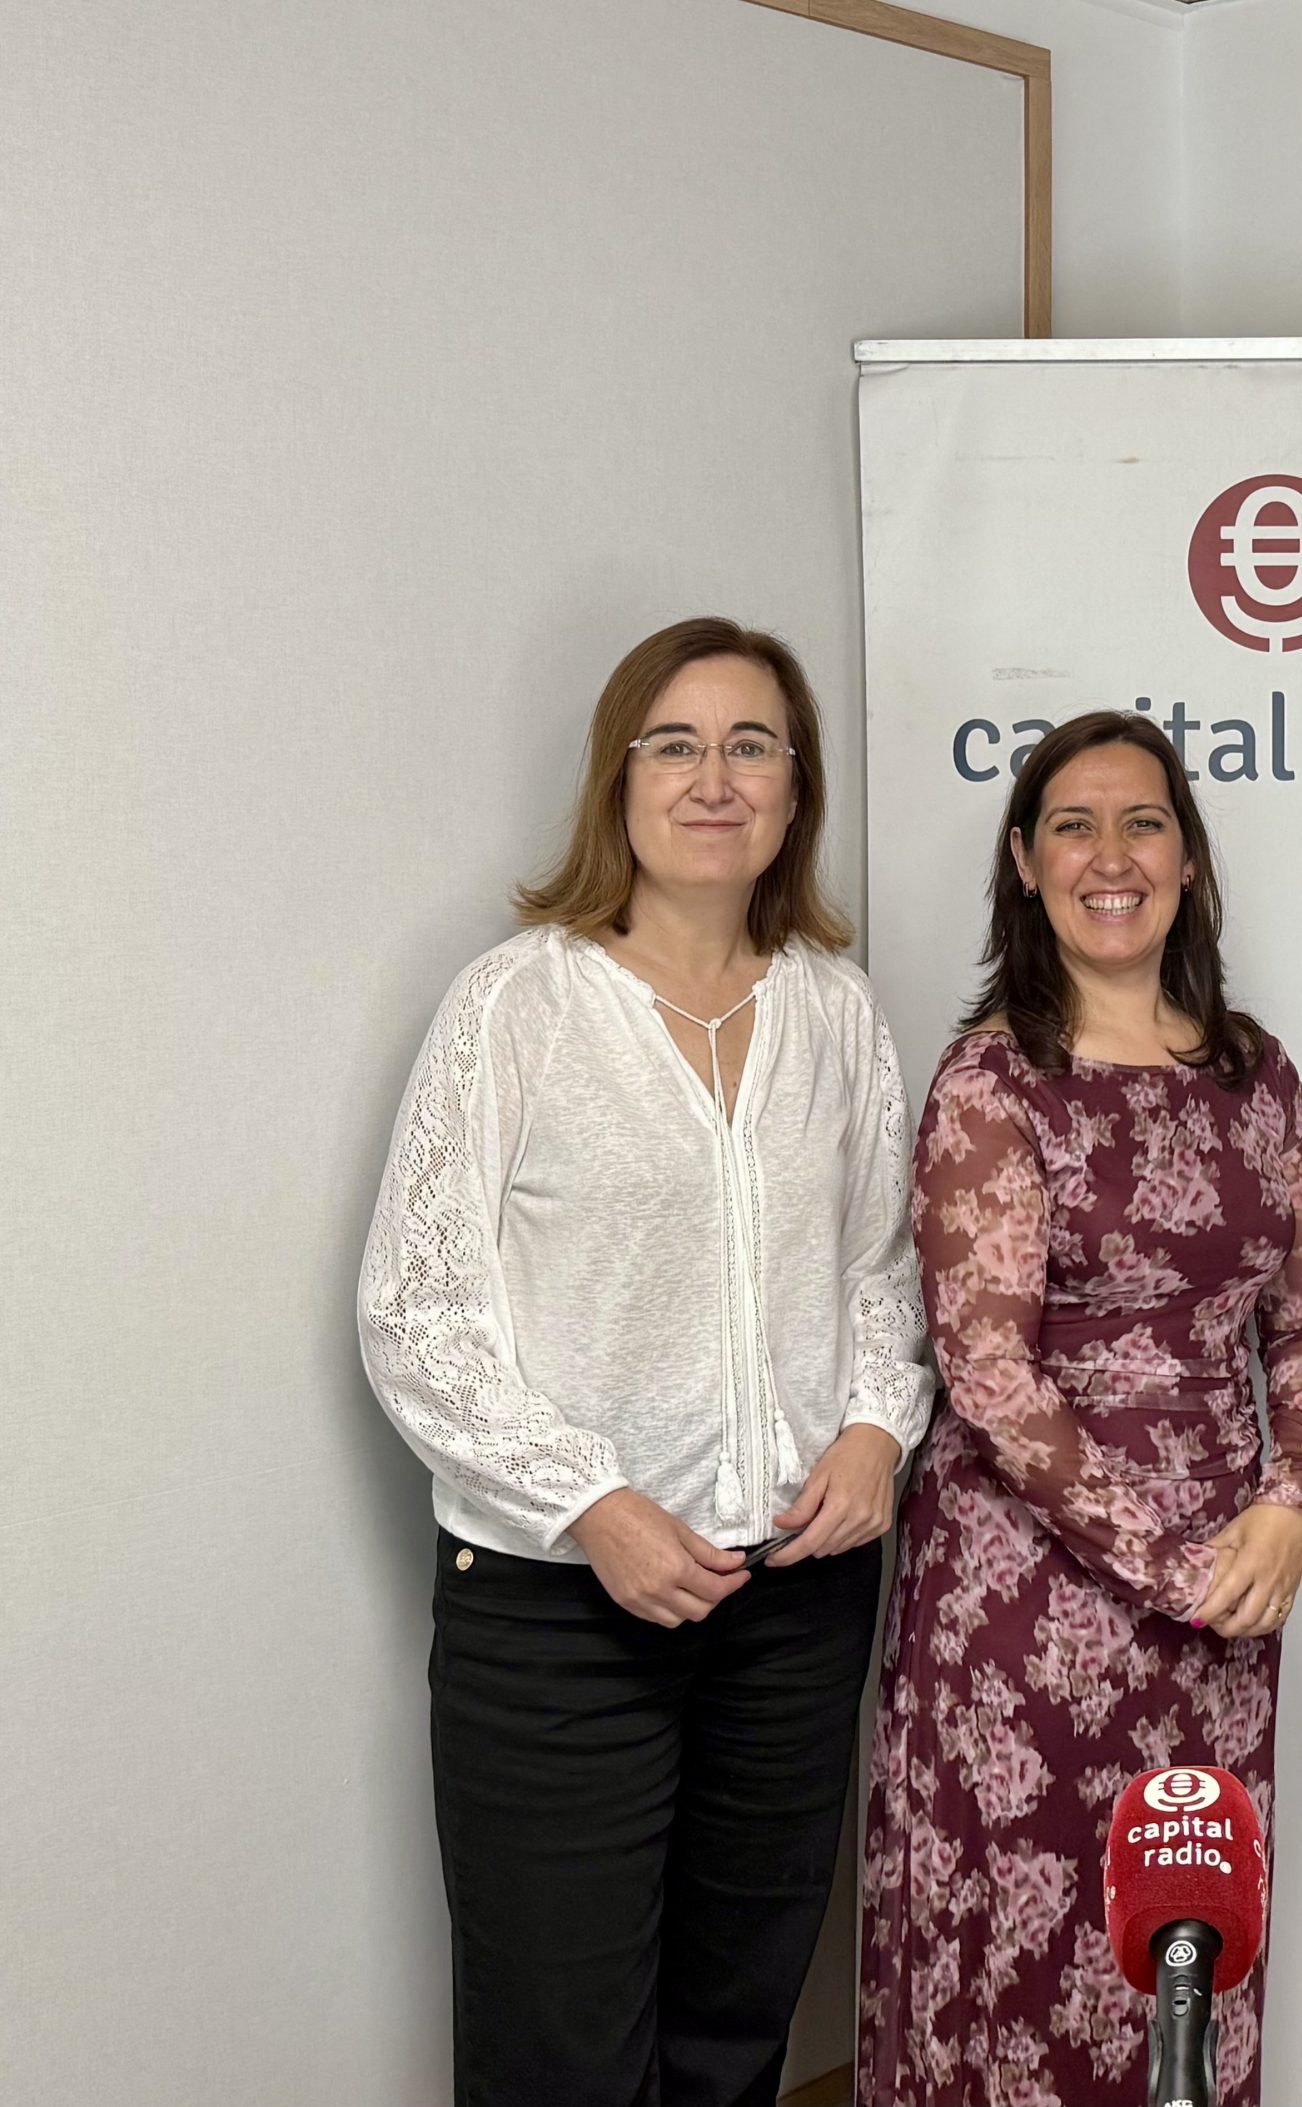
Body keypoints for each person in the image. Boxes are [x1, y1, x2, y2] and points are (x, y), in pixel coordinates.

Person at [357, 617, 933, 2107]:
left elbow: (882, 1267)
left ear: (796, 790)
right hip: (561, 1608)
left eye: (751, 746)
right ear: (617, 782)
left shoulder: (836, 1011)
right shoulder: (517, 1004)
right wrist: (593, 1505)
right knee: (560, 2046)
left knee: (736, 2025)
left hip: (792, 1601)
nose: (713, 778)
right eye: (673, 744)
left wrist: (877, 1427)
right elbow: (415, 1309)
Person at [857, 711, 1302, 2107]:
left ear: (1188, 859)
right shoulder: (992, 1080)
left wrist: (1292, 1506)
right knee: (1022, 1959)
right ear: (1024, 863)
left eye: (1143, 823)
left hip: (1229, 1595)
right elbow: (987, 1372)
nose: (1111, 855)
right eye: (1073, 826)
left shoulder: (1257, 1072)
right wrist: (1174, 1564)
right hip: (1023, 1601)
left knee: (1186, 1952)